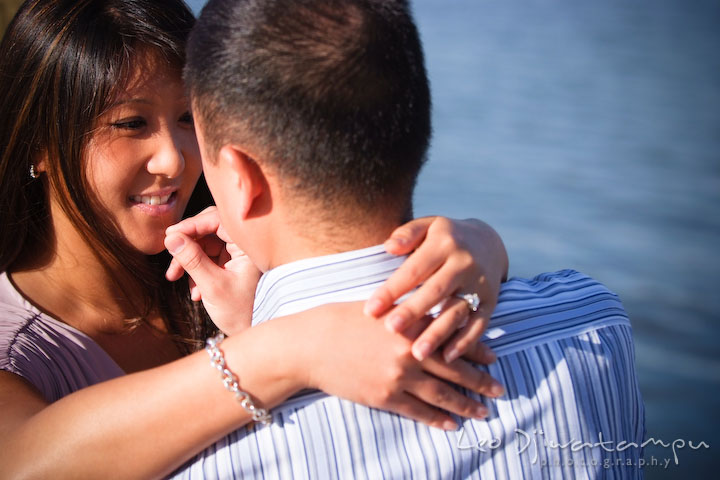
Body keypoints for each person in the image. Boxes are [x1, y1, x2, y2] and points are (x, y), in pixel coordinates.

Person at [0, 0, 512, 478]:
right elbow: (21, 461)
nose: (175, 160)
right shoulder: (12, 348)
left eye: (187, 119)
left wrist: (481, 244)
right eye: (131, 123)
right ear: (39, 143)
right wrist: (291, 348)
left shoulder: (227, 272)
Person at [166, 0, 646, 477]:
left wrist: (252, 339)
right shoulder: (596, 322)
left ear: (238, 178)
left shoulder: (202, 458)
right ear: (412, 131)